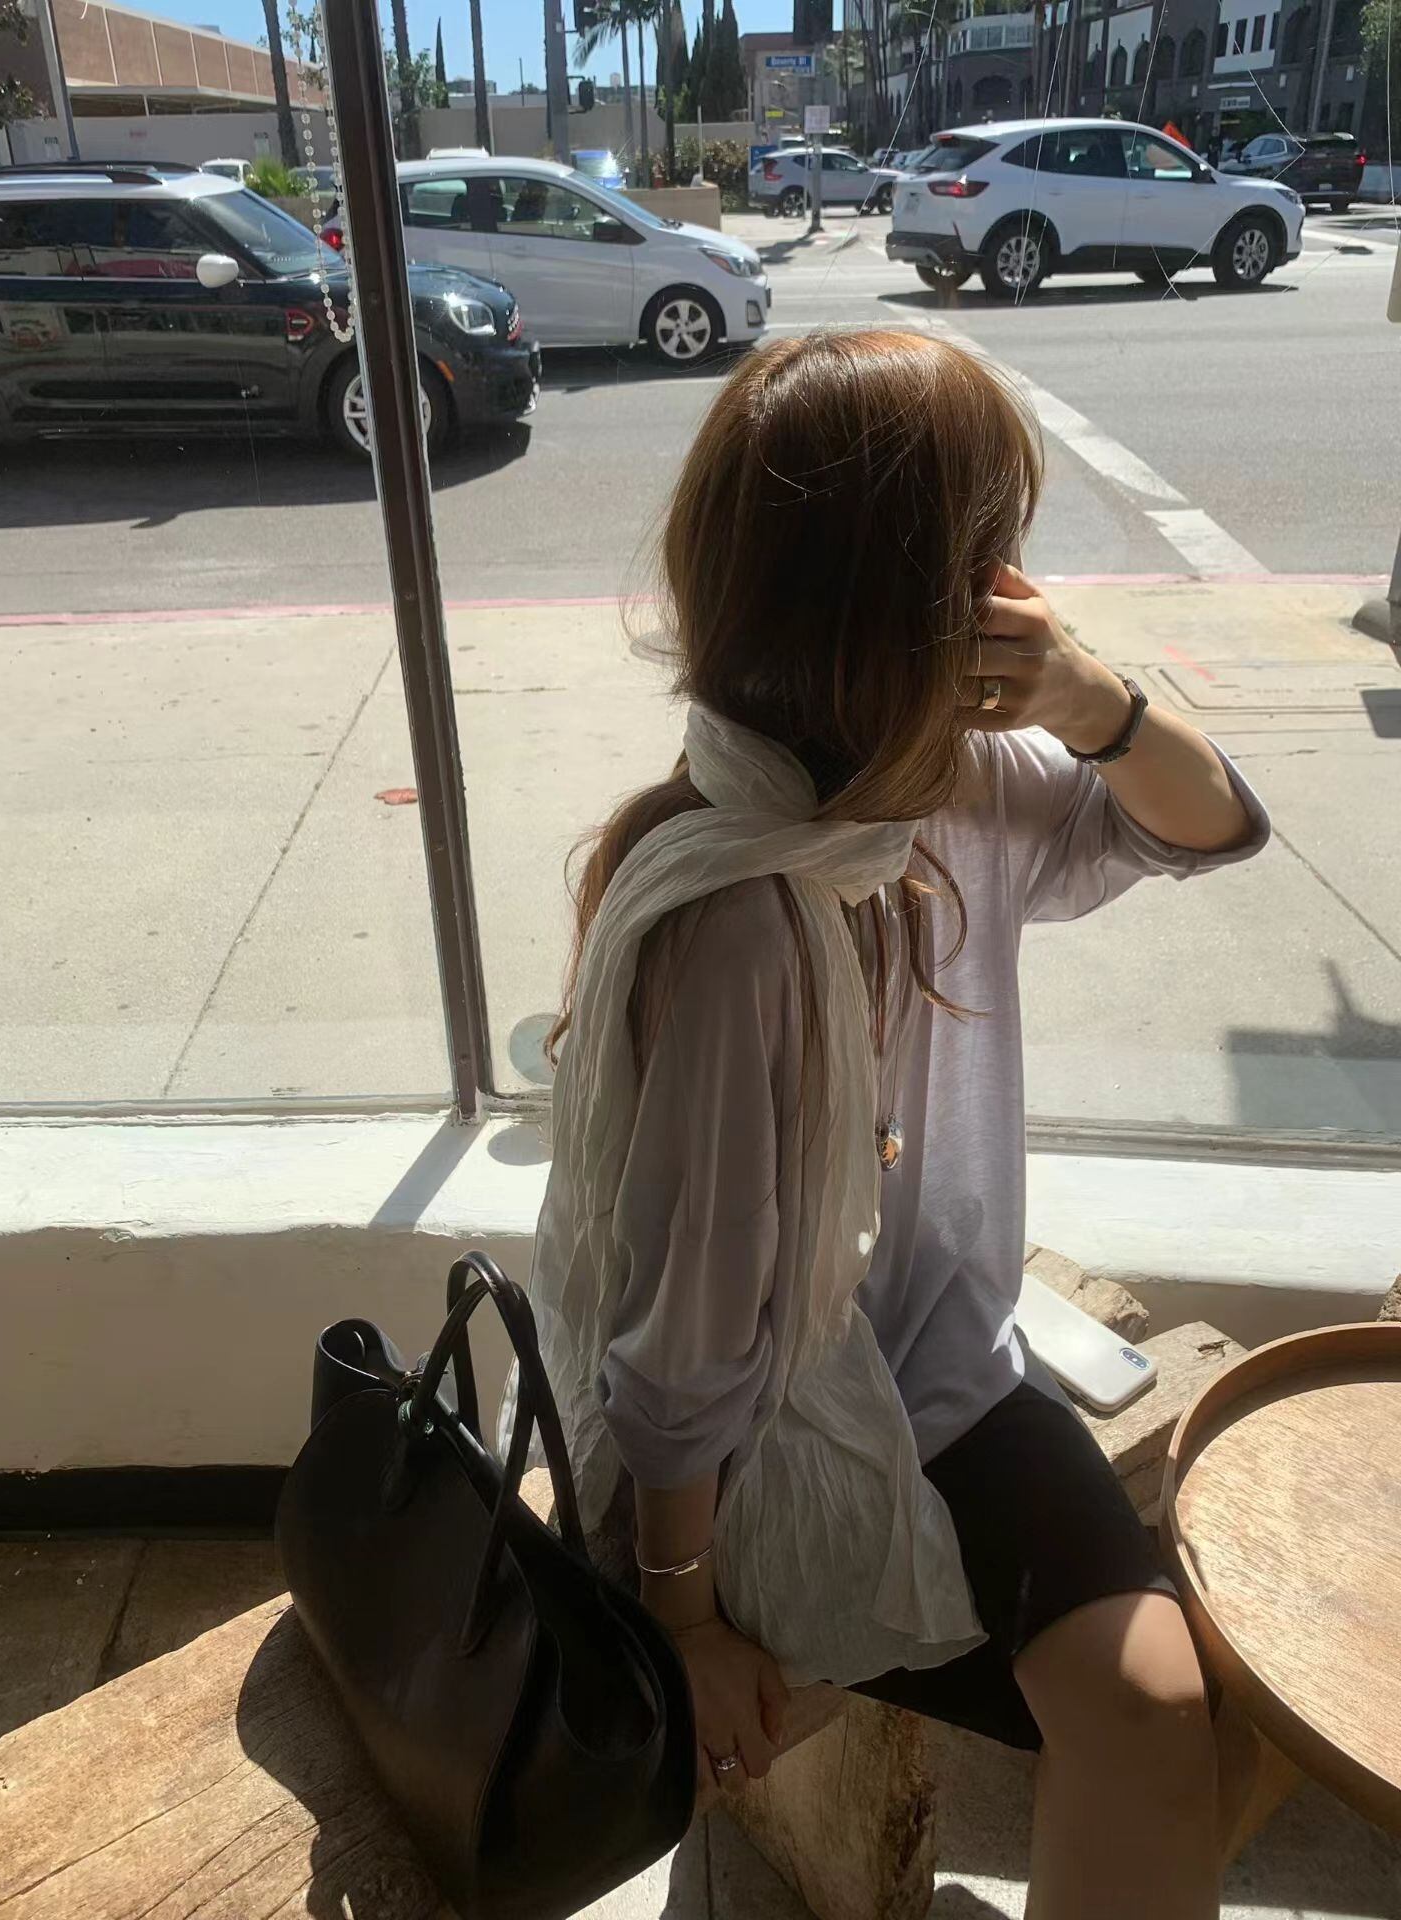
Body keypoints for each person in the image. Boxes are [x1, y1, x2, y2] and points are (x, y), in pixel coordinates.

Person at [526, 330, 1269, 1919]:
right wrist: (686, 1617)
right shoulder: (743, 916)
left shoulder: (955, 792)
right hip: (760, 1452)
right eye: (991, 552)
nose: (1019, 585)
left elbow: (1211, 829)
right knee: (1159, 1720)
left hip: (940, 1377)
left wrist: (1094, 700)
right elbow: (686, 1341)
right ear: (916, 608)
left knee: (1160, 1716)